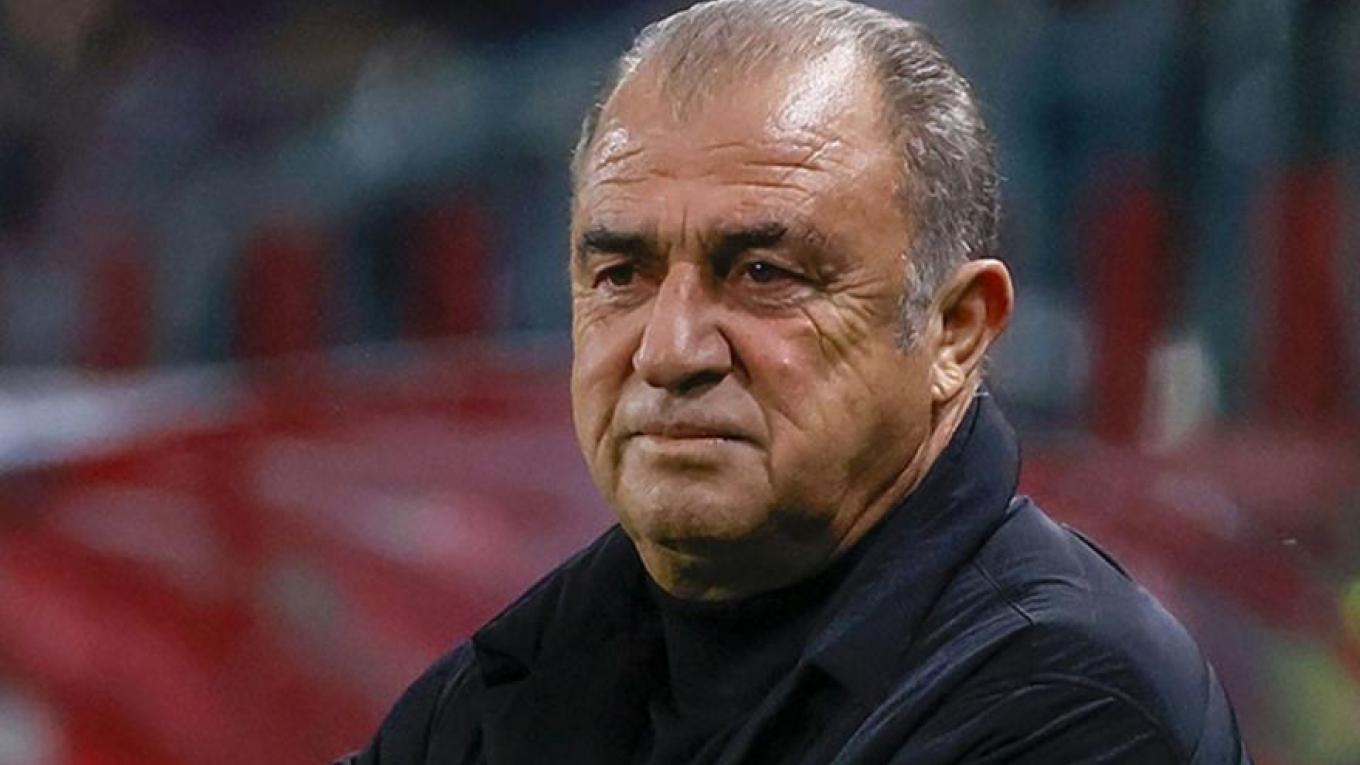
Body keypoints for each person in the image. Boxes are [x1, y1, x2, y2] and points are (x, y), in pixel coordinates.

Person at [342, 0, 1251, 762]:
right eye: (621, 275)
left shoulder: (1071, 700)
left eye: (763, 273)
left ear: (955, 330)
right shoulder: (515, 678)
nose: (671, 351)